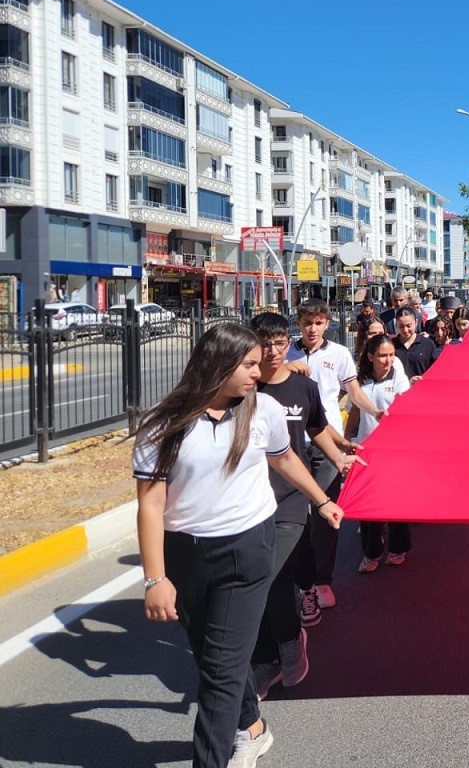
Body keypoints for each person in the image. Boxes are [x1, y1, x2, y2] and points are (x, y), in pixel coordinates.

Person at [134, 323, 344, 768]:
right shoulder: (163, 423)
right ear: (219, 363)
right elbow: (150, 504)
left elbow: (284, 458)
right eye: (248, 364)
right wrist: (156, 579)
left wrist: (322, 501)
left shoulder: (263, 410)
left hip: (248, 548)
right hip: (186, 553)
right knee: (210, 655)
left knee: (222, 672)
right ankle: (253, 728)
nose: (257, 371)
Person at [248, 314, 363, 703]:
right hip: (250, 501)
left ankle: (287, 642)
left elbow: (317, 428)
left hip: (291, 497)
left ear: (288, 342)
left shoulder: (304, 387)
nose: (273, 351)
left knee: (273, 576)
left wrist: (339, 458)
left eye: (280, 342)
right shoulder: (243, 387)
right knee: (253, 583)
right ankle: (266, 657)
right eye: (265, 343)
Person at [286, 299, 383, 621]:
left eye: (318, 322)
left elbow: (353, 393)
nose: (312, 329)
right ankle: (297, 580)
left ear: (327, 323)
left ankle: (322, 581)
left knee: (326, 514)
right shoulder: (286, 353)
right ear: (298, 324)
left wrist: (377, 412)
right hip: (290, 444)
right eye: (307, 323)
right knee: (293, 516)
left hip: (328, 445)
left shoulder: (339, 354)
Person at [346, 334, 412, 573]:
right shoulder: (360, 380)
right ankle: (371, 552)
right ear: (370, 356)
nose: (388, 360)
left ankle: (398, 548)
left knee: (395, 499)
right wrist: (346, 437)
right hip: (367, 447)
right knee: (368, 500)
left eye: (391, 355)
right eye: (382, 356)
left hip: (395, 449)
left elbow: (406, 409)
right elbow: (355, 409)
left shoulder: (399, 378)